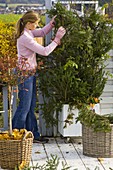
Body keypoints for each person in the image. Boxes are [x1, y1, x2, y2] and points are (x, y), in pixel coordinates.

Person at [12, 10, 66, 143]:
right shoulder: (25, 37)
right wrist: (57, 40)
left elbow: (41, 32)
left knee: (30, 106)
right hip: (25, 75)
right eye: (36, 23)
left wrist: (52, 24)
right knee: (24, 107)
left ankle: (33, 135)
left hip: (30, 73)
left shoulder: (28, 32)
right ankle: (15, 137)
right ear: (29, 23)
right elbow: (45, 51)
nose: (37, 25)